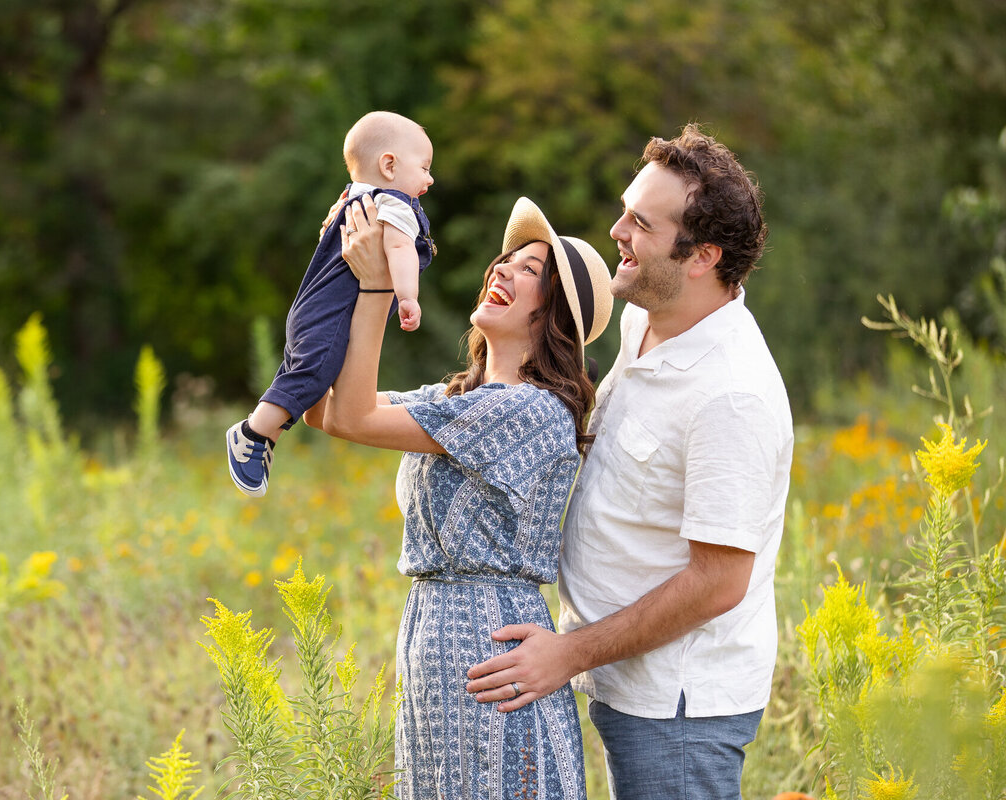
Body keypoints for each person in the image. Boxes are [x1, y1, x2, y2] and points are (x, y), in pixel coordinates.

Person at [464, 124, 794, 800]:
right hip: (623, 678)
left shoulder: (732, 394)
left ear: (701, 256)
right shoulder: (645, 319)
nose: (616, 230)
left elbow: (718, 582)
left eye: (640, 223)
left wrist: (570, 652)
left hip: (677, 707)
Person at [306, 194, 613, 800]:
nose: (502, 270)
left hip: (489, 643)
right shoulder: (456, 397)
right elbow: (324, 408)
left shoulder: (528, 409)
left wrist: (376, 288)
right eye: (507, 261)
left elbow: (354, 418)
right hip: (432, 634)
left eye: (530, 271)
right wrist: (338, 266)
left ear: (552, 317)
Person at [226, 110, 437, 498]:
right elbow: (399, 247)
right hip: (332, 313)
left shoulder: (351, 200)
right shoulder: (394, 206)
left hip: (314, 306)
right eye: (424, 167)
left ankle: (268, 435)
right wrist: (408, 296)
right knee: (313, 370)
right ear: (389, 165)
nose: (430, 178)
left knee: (311, 372)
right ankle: (253, 431)